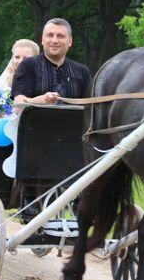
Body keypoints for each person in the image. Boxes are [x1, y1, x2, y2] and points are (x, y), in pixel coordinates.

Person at [11, 18, 92, 220]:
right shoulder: (28, 66)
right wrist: (41, 100)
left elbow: (90, 105)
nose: (54, 40)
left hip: (72, 136)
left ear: (70, 41)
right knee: (35, 139)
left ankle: (80, 200)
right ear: (43, 39)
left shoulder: (82, 72)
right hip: (35, 133)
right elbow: (19, 102)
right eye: (50, 35)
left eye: (60, 36)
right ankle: (29, 200)